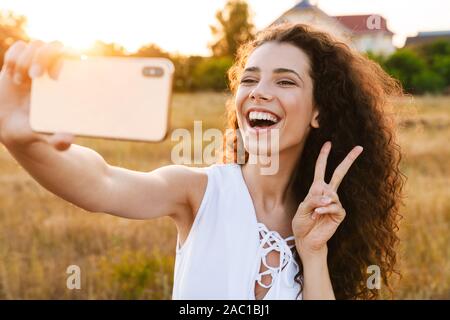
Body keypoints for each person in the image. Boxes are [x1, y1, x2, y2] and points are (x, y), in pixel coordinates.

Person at [0, 23, 405, 300]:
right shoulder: (199, 192)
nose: (259, 91)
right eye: (249, 79)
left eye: (285, 81)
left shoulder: (320, 219)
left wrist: (314, 253)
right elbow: (101, 183)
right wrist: (23, 140)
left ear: (319, 110)